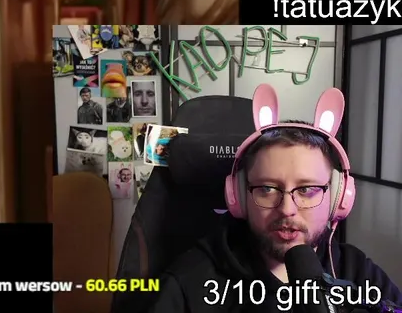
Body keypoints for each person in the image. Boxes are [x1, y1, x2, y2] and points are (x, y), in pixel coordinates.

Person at [148, 86, 399, 312]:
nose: (287, 209)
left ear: (338, 197)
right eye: (268, 189)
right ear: (238, 196)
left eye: (306, 189)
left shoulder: (358, 273)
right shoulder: (190, 284)